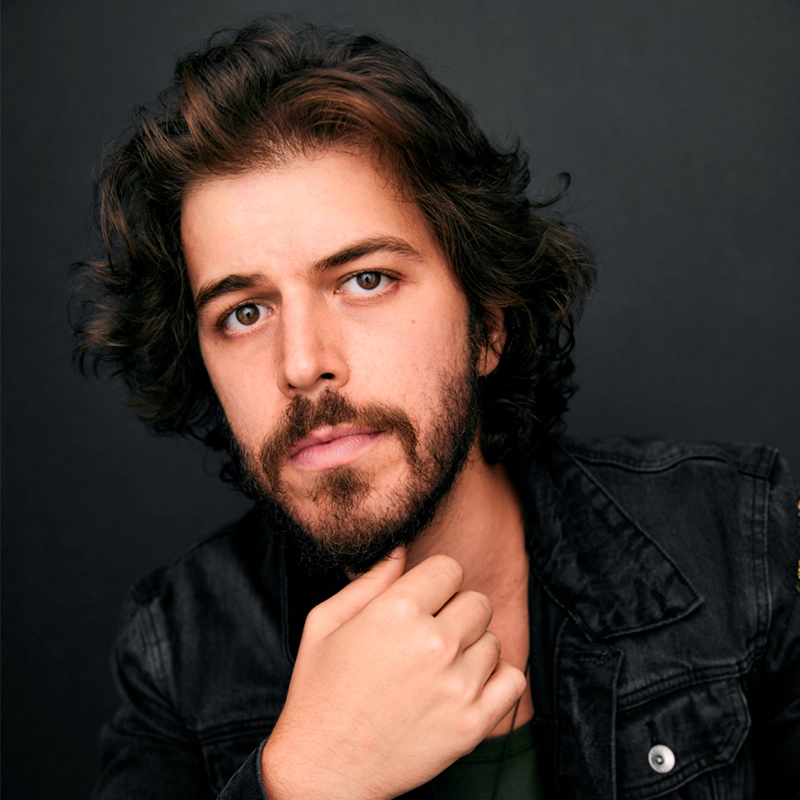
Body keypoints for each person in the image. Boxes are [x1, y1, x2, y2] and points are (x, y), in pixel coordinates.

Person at [75, 19, 799, 799]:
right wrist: (306, 780)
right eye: (244, 313)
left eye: (365, 280)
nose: (302, 363)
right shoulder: (177, 649)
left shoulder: (741, 542)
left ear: (487, 326)